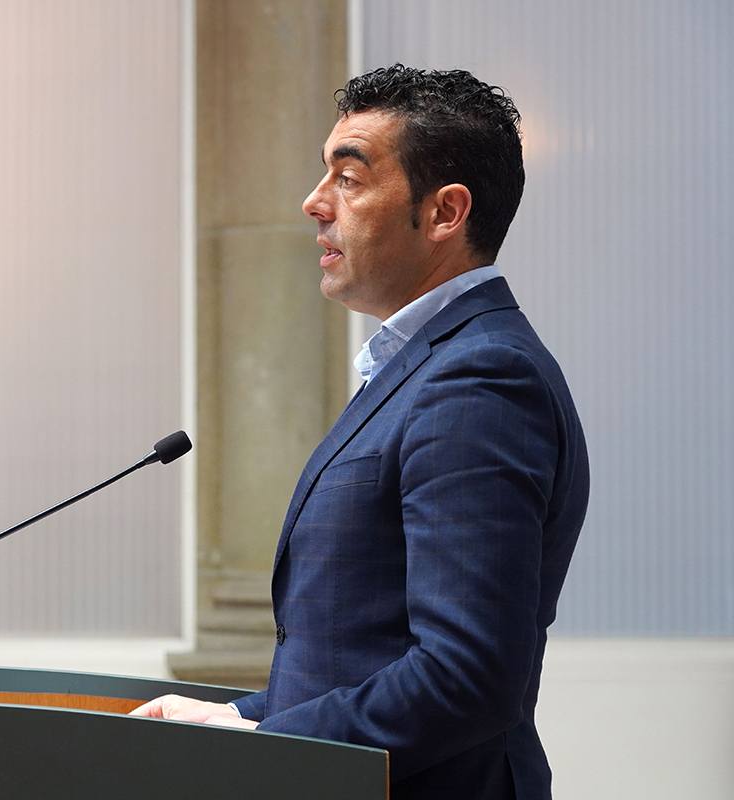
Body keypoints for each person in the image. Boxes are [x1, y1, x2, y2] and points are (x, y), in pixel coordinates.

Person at [131, 64, 590, 800]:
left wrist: (262, 748)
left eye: (348, 178)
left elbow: (467, 676)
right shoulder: (428, 366)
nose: (314, 202)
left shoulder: (479, 380)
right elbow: (360, 649)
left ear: (444, 213)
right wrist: (240, 715)